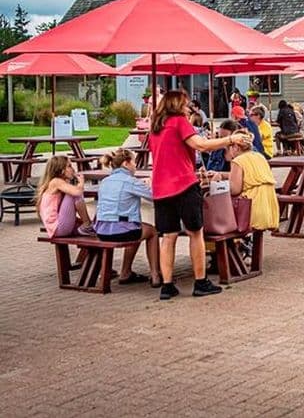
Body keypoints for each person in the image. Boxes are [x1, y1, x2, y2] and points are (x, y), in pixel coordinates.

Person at [149, 90, 251, 300]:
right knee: (196, 233)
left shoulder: (156, 127)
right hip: (184, 184)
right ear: (177, 105)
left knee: (168, 236)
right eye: (186, 104)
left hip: (160, 187)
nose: (190, 108)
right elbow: (201, 145)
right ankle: (200, 281)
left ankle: (167, 285)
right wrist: (231, 139)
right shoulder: (178, 121)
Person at [94, 149, 161, 286]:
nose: (136, 166)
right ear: (126, 163)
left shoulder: (105, 181)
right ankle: (155, 274)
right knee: (152, 231)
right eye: (134, 162)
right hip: (122, 231)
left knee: (136, 227)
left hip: (101, 230)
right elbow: (155, 197)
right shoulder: (131, 181)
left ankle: (126, 272)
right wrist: (150, 183)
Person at [210, 129, 280, 232]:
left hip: (250, 210)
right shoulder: (259, 156)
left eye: (229, 147)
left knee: (218, 210)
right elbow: (247, 176)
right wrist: (222, 174)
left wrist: (217, 182)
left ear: (236, 147)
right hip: (268, 208)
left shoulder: (238, 161)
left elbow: (235, 189)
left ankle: (229, 245)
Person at [37, 156, 96, 239]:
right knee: (75, 194)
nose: (73, 169)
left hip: (56, 228)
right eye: (69, 166)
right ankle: (87, 225)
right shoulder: (56, 181)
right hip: (58, 228)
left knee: (74, 192)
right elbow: (77, 192)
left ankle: (88, 225)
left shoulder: (57, 182)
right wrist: (81, 182)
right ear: (61, 170)